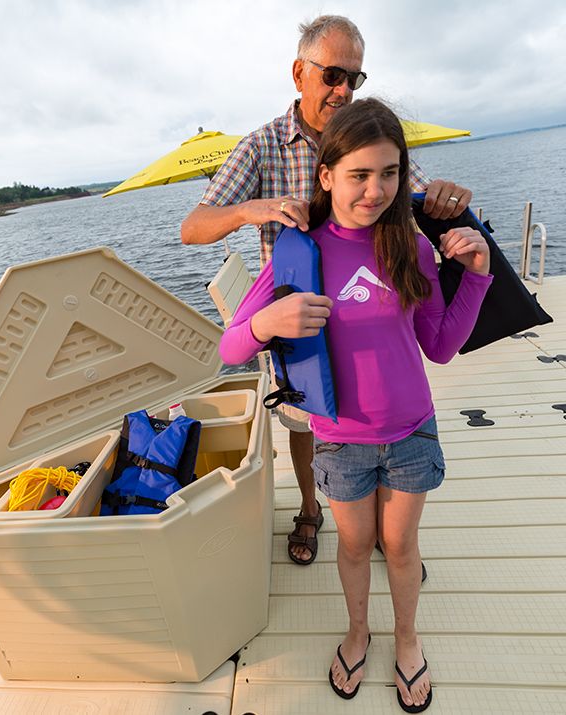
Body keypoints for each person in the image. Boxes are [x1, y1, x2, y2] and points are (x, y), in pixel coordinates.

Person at [218, 97, 492, 712]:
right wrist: (267, 319)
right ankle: (357, 631)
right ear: (326, 176)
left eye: (390, 174)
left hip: (411, 431)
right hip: (340, 439)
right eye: (359, 175)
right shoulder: (298, 252)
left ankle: (407, 639)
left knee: (400, 547)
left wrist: (475, 275)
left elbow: (441, 345)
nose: (376, 190)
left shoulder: (411, 247)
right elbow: (231, 345)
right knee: (350, 545)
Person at [181, 14, 473, 567]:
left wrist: (440, 197)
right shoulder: (262, 147)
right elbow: (192, 227)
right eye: (333, 74)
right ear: (300, 72)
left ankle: (388, 532)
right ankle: (313, 509)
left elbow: (400, 192)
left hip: (364, 307)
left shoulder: (364, 135)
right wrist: (252, 209)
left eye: (355, 78)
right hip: (299, 317)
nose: (343, 89)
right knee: (305, 419)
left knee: (366, 430)